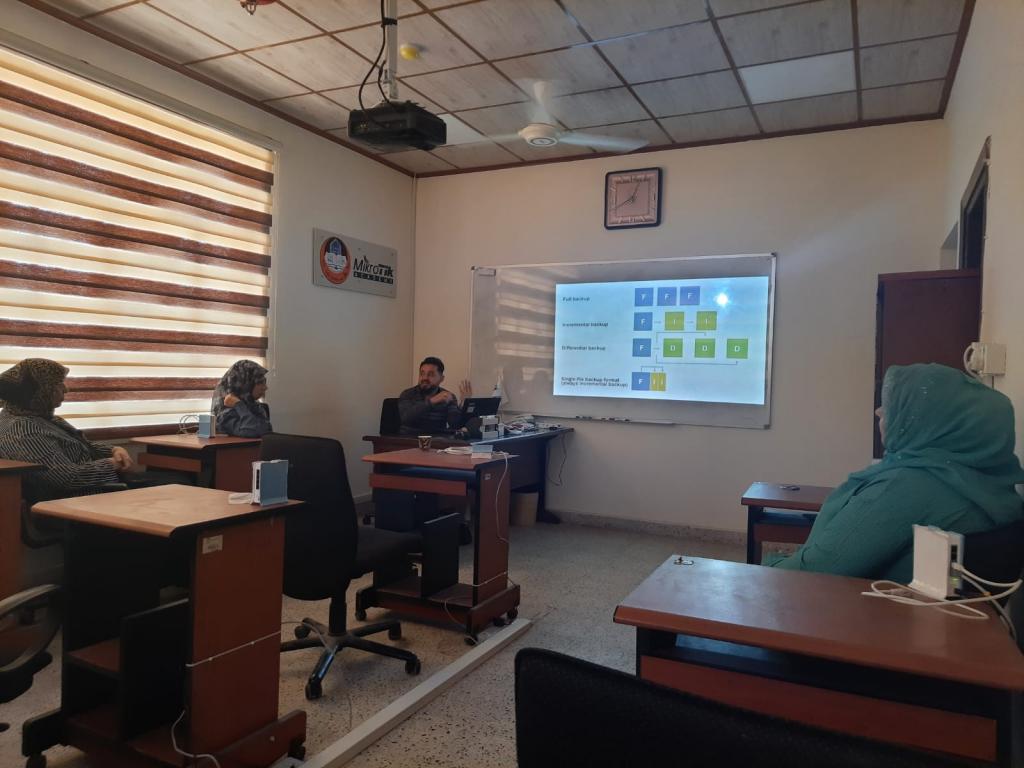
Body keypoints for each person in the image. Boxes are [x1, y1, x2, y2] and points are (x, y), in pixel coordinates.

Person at [772, 363, 1024, 583]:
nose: (879, 412)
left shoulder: (910, 486)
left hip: (860, 614)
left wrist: (760, 569)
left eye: (895, 406)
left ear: (930, 422)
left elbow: (814, 572)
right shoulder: (986, 481)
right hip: (927, 616)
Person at [0, 358, 135, 501]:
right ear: (39, 392)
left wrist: (113, 450)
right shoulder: (24, 431)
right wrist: (112, 464)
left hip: (97, 493)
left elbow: (81, 446)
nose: (66, 389)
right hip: (78, 501)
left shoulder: (41, 417)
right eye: (58, 384)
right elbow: (66, 479)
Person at [398, 357, 472, 435]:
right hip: (409, 438)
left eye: (430, 374)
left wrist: (464, 404)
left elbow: (455, 425)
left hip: (437, 439)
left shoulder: (447, 396)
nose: (425, 378)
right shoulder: (408, 394)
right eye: (422, 374)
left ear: (441, 378)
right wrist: (432, 401)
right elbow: (405, 418)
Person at [212, 360, 272, 437]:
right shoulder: (226, 413)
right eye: (259, 382)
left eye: (264, 382)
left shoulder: (256, 407)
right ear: (245, 384)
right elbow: (251, 431)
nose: (265, 387)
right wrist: (239, 405)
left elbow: (266, 430)